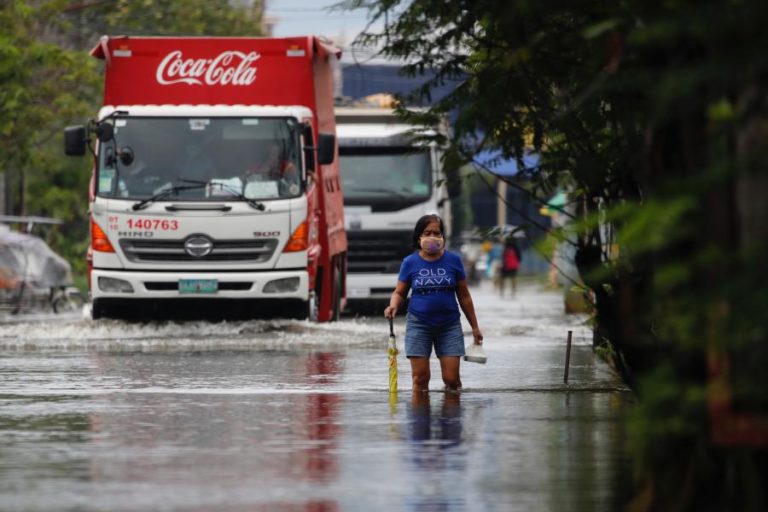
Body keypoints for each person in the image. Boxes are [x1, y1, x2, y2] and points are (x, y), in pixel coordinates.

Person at [384, 214, 484, 392]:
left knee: (452, 380)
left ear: (443, 236)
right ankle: (421, 419)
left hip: (449, 326)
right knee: (420, 380)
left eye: (436, 233)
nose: (432, 237)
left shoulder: (454, 261)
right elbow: (399, 292)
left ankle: (451, 418)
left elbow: (464, 296)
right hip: (418, 325)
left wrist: (475, 327)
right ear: (419, 237)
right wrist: (393, 305)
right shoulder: (410, 262)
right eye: (427, 232)